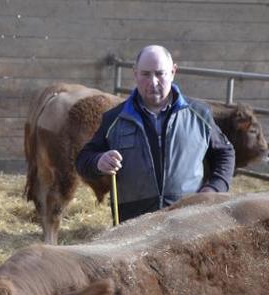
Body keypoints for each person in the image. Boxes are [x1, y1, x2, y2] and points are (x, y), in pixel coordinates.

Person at [76, 45, 235, 222]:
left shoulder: (199, 114)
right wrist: (99, 161)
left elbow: (225, 153)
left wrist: (214, 189)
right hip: (134, 221)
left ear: (173, 71)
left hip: (187, 217)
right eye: (145, 74)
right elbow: (83, 160)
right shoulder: (115, 119)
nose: (153, 82)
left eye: (160, 73)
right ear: (135, 73)